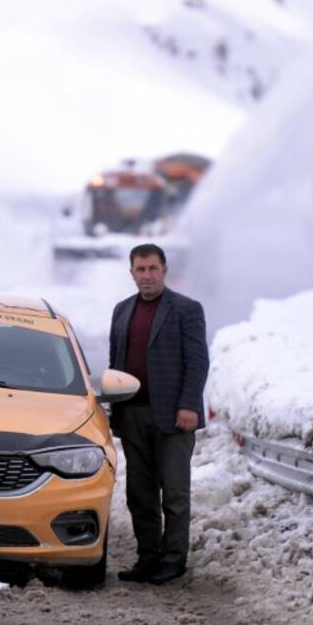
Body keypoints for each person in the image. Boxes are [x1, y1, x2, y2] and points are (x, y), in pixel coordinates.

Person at [108, 243, 209, 585]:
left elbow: (197, 362)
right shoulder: (122, 311)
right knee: (140, 493)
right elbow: (115, 363)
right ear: (132, 272)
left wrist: (188, 405)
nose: (147, 275)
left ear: (164, 270)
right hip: (133, 414)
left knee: (175, 492)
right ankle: (148, 557)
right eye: (140, 269)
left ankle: (173, 559)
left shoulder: (186, 309)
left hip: (174, 417)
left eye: (153, 268)